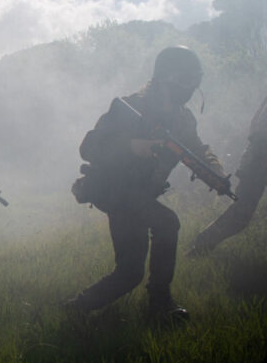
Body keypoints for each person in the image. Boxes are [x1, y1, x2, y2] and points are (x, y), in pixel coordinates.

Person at [67, 46, 225, 320]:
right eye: (184, 80)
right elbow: (89, 147)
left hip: (140, 196)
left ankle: (75, 308)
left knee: (129, 274)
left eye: (193, 81)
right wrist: (131, 146)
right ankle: (160, 303)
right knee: (167, 223)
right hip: (115, 191)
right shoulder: (129, 107)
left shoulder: (182, 119)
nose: (189, 88)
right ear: (165, 78)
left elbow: (198, 150)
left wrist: (216, 171)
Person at [189, 96, 267, 255]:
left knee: (241, 214)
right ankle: (199, 248)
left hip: (257, 157)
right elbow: (258, 132)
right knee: (241, 213)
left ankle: (200, 247)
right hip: (259, 159)